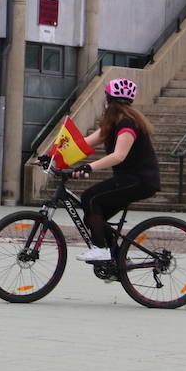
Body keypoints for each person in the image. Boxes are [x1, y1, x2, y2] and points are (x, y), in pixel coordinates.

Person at [72, 78, 160, 262]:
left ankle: (101, 249)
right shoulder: (112, 125)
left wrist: (89, 166)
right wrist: (52, 157)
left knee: (89, 197)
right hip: (128, 179)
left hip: (140, 180)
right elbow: (84, 144)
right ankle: (118, 259)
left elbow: (119, 155)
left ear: (109, 102)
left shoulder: (127, 124)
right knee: (93, 218)